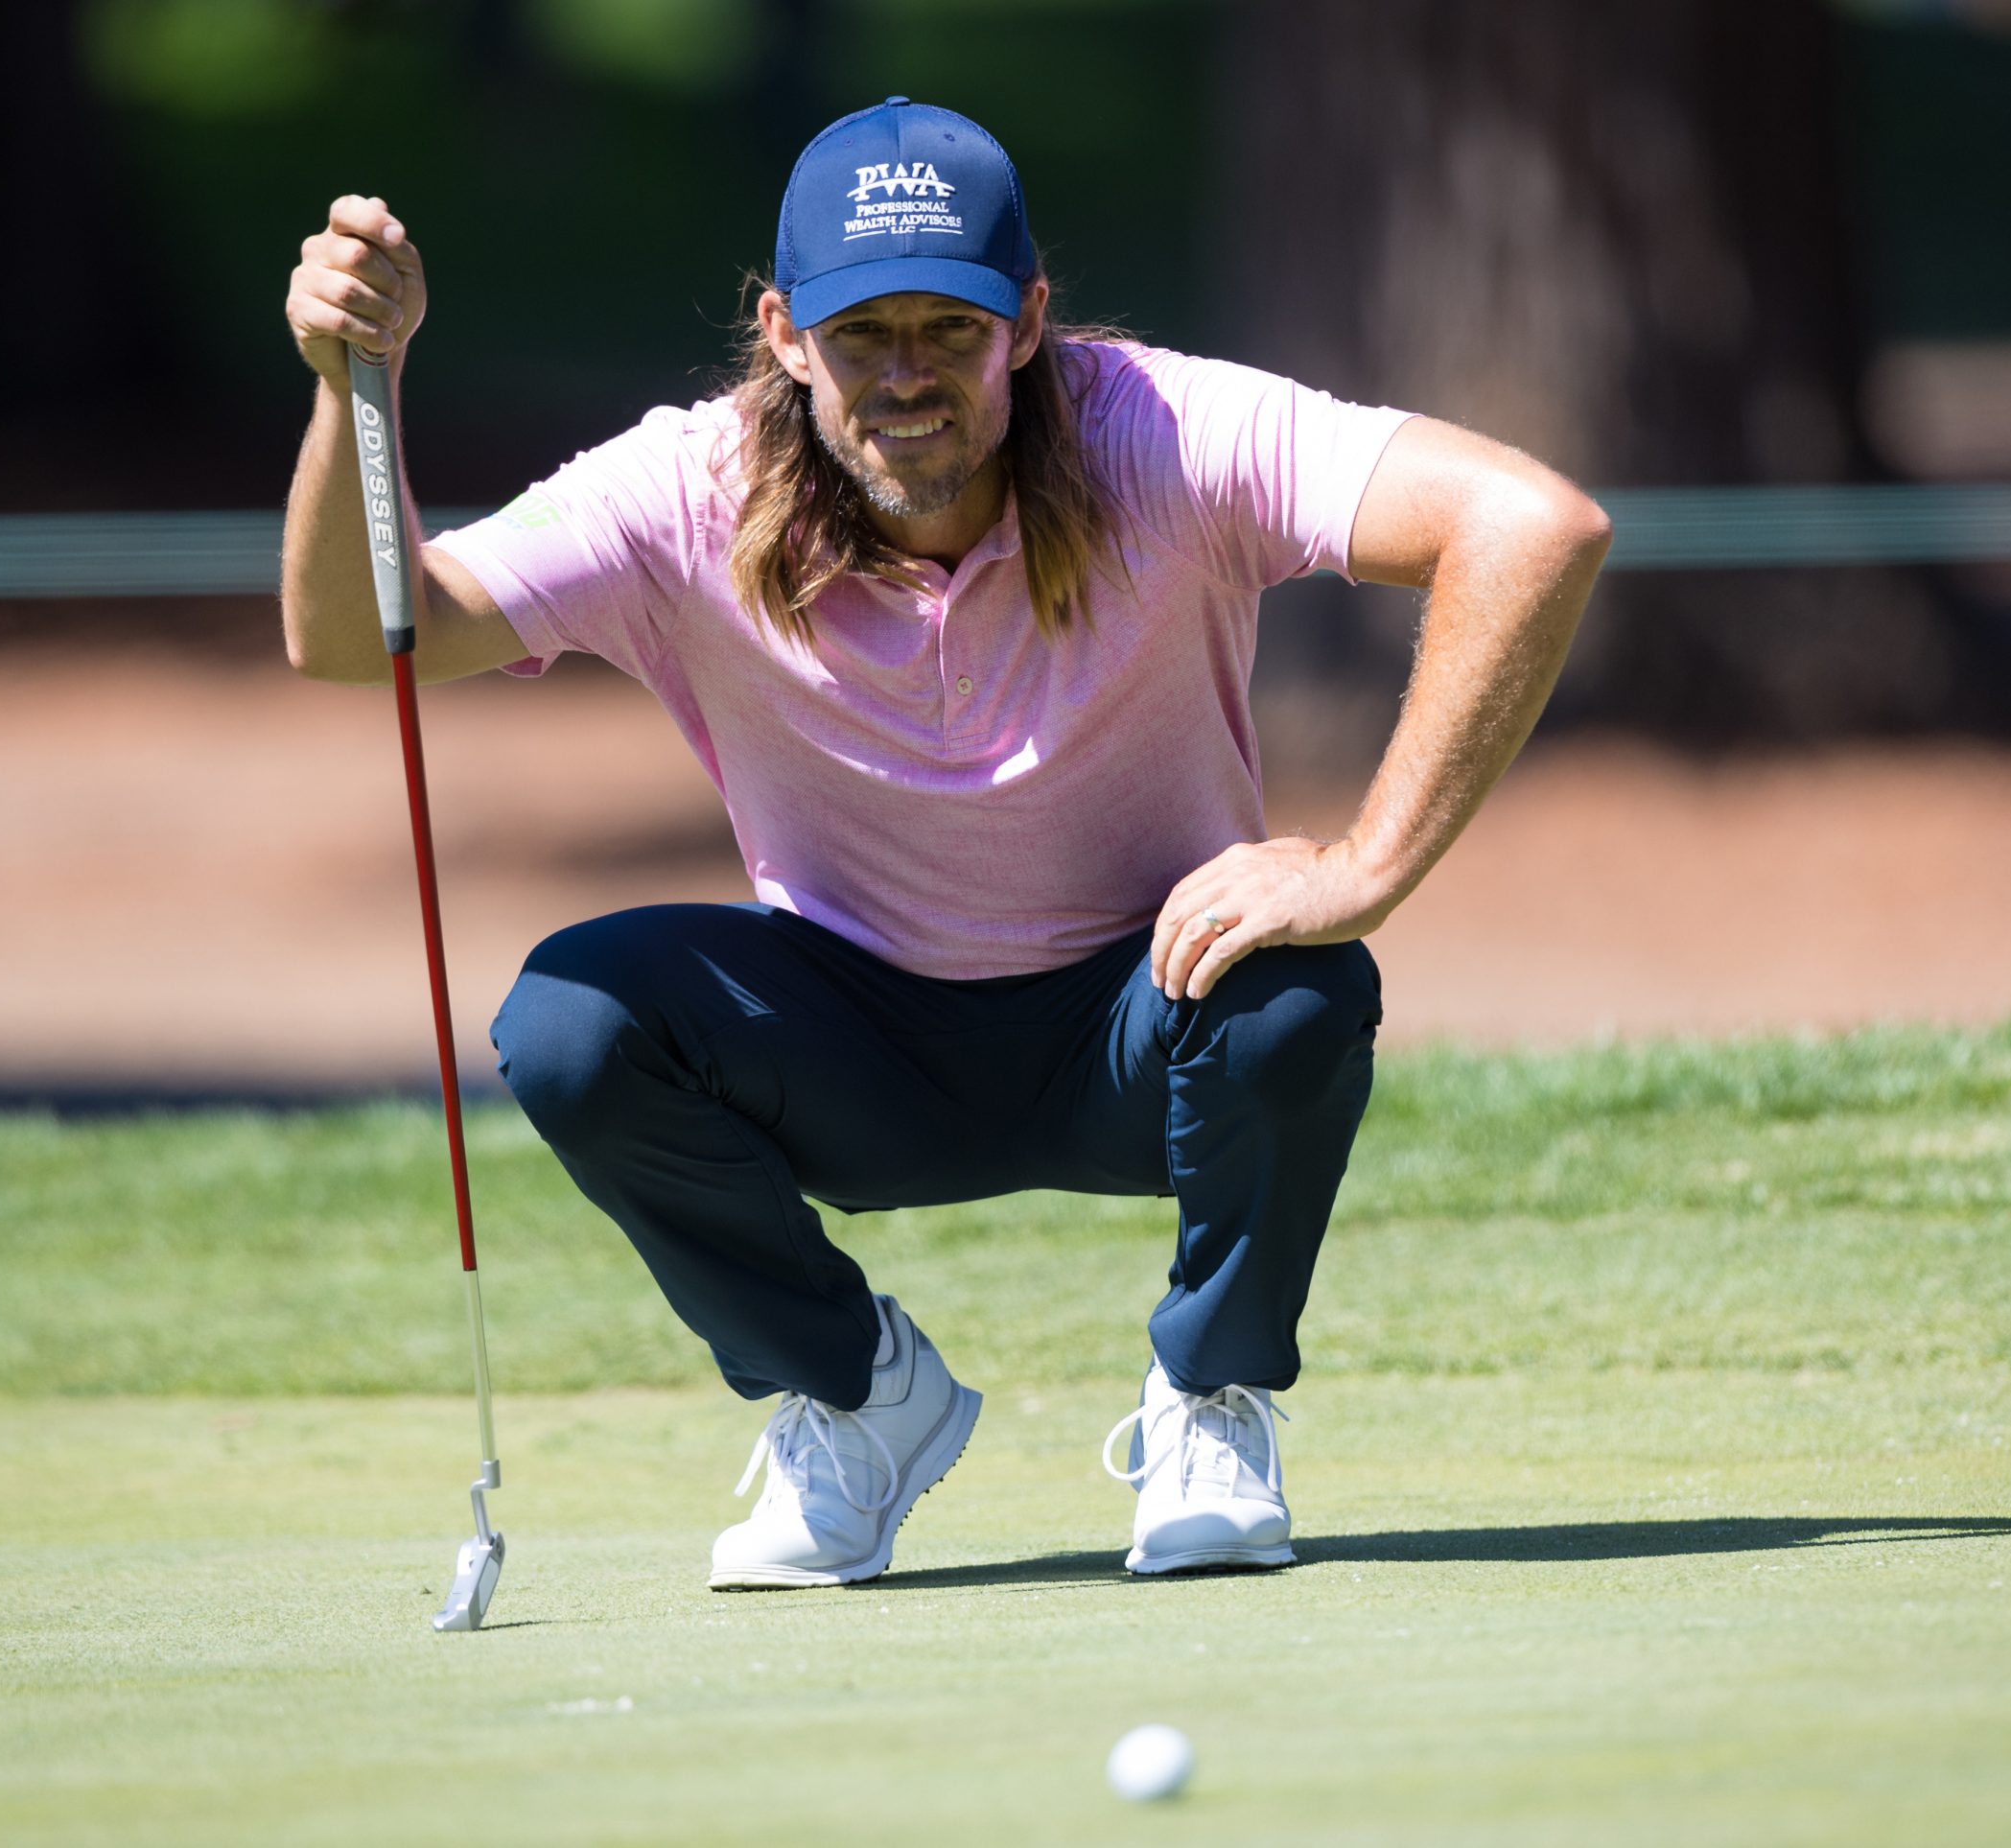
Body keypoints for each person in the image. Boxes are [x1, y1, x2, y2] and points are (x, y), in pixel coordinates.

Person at [281, 100, 1608, 1590]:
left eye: (949, 330)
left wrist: (1367, 862)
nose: (905, 377)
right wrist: (355, 394)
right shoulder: (681, 489)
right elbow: (355, 636)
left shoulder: (1158, 429)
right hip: (855, 1049)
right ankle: (860, 1396)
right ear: (785, 335)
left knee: (1300, 991)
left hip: (1145, 1026)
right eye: (862, 337)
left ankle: (1212, 1398)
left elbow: (1530, 522)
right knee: (574, 1025)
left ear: (1028, 321)